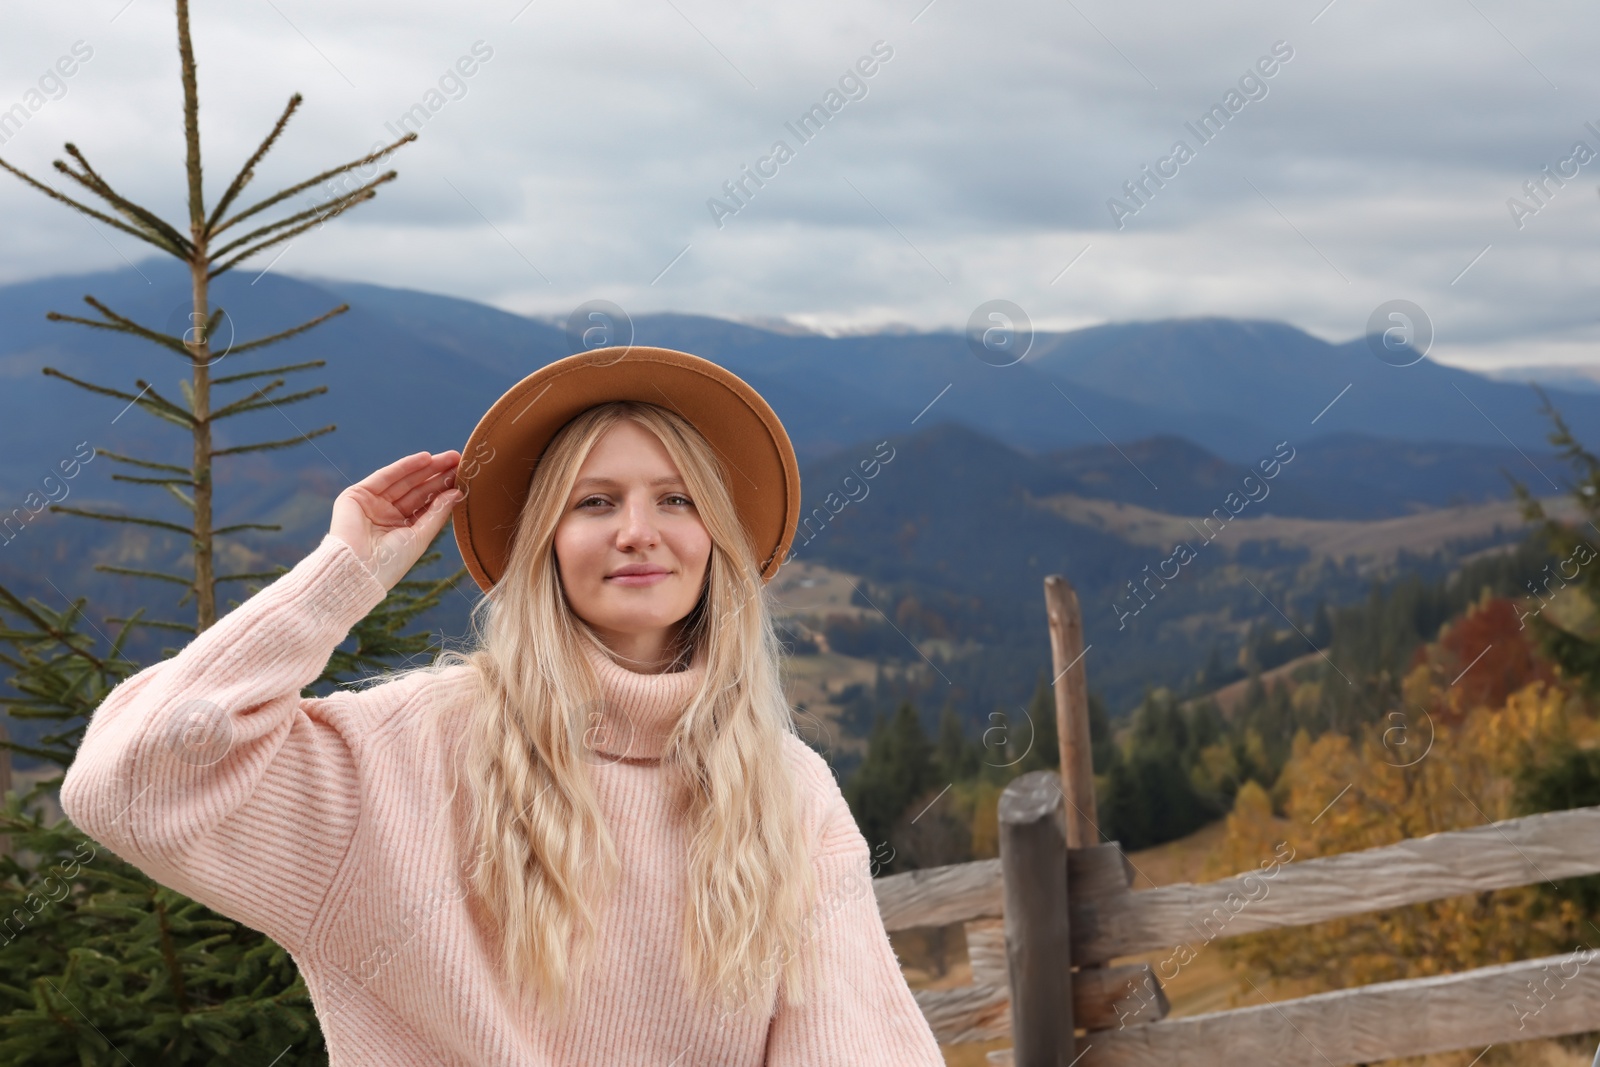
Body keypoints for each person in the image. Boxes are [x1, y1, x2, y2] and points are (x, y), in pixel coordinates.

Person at [60, 346, 945, 1066]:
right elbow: (129, 782)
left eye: (676, 498)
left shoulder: (788, 790)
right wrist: (343, 575)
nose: (638, 528)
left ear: (714, 536)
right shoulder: (411, 752)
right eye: (594, 502)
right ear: (545, 546)